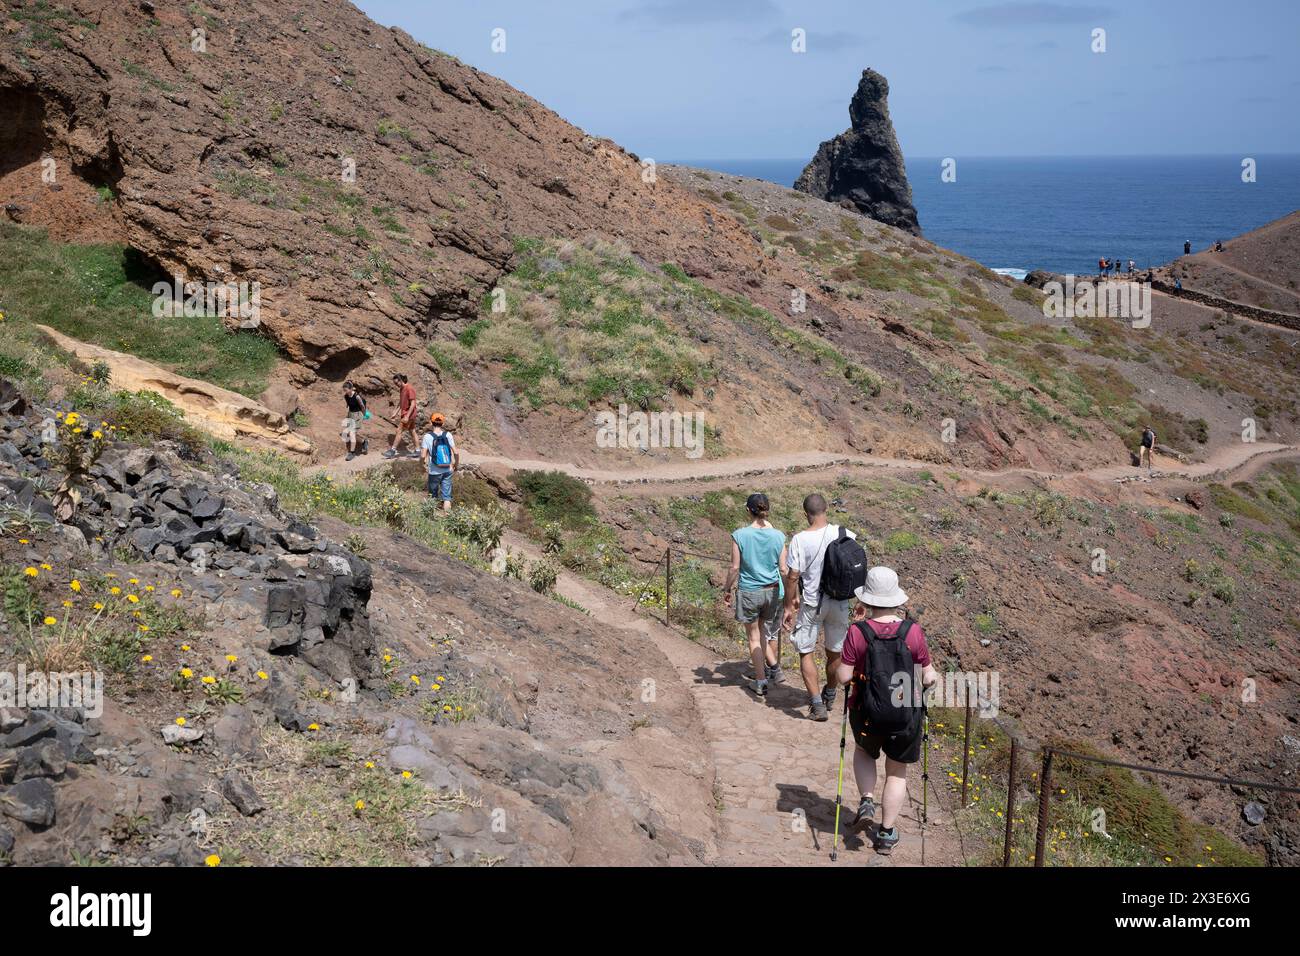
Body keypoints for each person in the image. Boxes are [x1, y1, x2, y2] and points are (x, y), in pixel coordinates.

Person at [835, 566, 937, 855]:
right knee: (897, 771)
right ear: (896, 599)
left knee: (865, 752)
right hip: (904, 712)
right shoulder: (912, 631)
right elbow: (928, 677)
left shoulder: (858, 631)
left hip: (866, 710)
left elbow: (843, 677)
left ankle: (867, 799)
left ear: (867, 600)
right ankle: (886, 833)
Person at [782, 493, 857, 722]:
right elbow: (857, 569)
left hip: (813, 603)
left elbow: (793, 575)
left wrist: (789, 604)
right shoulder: (845, 534)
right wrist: (861, 601)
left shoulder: (800, 539)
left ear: (806, 514)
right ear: (827, 509)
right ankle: (831, 693)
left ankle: (816, 705)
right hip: (841, 602)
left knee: (806, 651)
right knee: (835, 652)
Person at [723, 493, 788, 698]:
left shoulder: (740, 535)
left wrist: (726, 589)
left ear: (748, 511)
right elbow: (784, 569)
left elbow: (734, 567)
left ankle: (760, 681)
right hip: (772, 591)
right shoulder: (779, 536)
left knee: (753, 638)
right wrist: (790, 597)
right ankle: (774, 670)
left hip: (750, 590)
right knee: (762, 632)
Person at [420, 412, 458, 511]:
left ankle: (431, 518)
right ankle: (447, 520)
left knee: (432, 496)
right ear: (443, 423)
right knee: (447, 498)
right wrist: (455, 465)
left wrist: (421, 466)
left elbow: (423, 455)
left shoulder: (427, 437)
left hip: (434, 471)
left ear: (431, 422)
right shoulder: (448, 435)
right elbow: (456, 452)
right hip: (447, 470)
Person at [383, 373, 420, 459]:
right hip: (407, 414)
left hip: (409, 414)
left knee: (399, 430)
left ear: (401, 380)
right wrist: (395, 412)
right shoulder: (402, 389)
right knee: (412, 431)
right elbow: (401, 402)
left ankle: (392, 450)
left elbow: (413, 404)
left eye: (397, 383)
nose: (396, 385)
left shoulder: (409, 388)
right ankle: (418, 451)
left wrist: (407, 416)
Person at [341, 380, 369, 461]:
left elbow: (362, 406)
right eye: (344, 390)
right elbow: (348, 405)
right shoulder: (346, 396)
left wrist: (364, 415)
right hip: (350, 414)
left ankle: (352, 452)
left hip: (358, 415)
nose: (345, 392)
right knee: (352, 433)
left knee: (352, 433)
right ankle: (364, 441)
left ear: (351, 389)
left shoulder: (357, 396)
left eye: (346, 390)